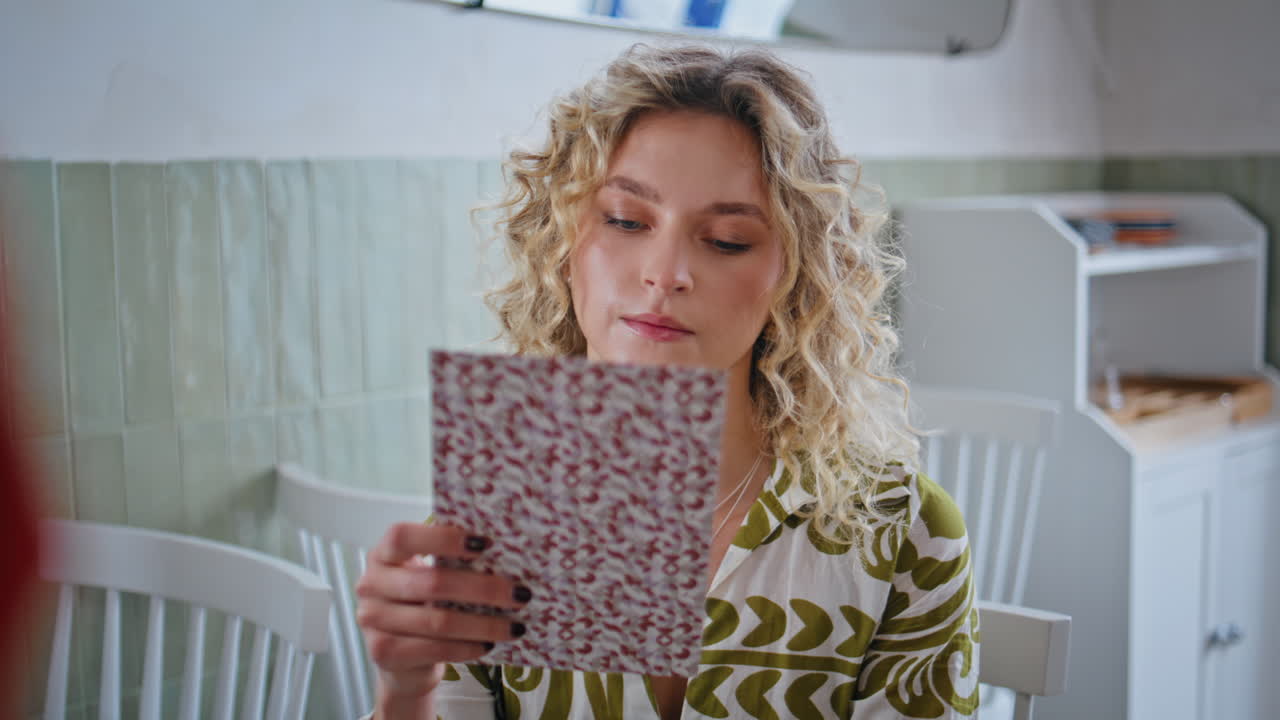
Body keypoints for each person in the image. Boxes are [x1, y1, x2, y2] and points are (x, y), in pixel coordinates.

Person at [355, 43, 978, 719]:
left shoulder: (903, 535)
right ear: (563, 246)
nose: (665, 272)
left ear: (793, 278)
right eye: (625, 221)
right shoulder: (485, 531)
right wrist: (407, 690)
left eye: (727, 239)